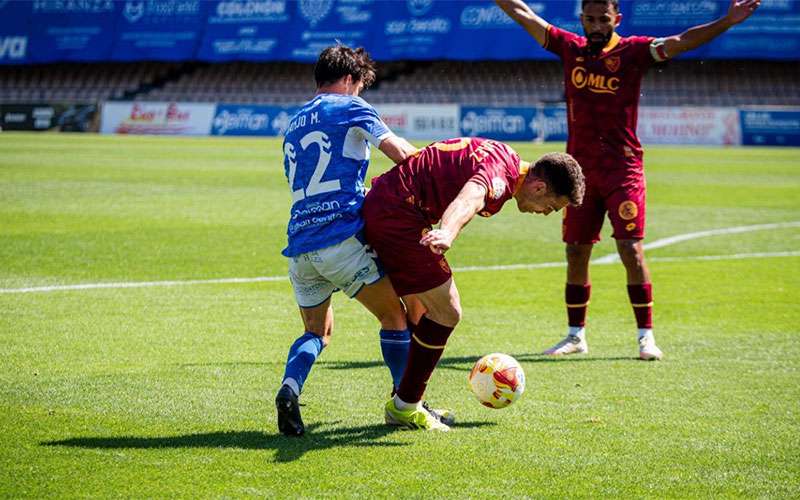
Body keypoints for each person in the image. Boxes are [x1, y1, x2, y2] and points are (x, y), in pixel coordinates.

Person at [496, 0, 760, 360]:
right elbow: (525, 14)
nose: (595, 25)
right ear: (582, 19)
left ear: (616, 19)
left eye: (603, 19)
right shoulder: (570, 48)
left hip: (623, 170)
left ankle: (645, 337)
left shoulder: (634, 51)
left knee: (630, 250)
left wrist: (727, 21)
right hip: (579, 174)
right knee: (576, 250)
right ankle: (575, 335)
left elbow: (682, 40)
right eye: (589, 19)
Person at [363, 137, 585, 431]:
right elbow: (472, 195)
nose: (546, 213)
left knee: (420, 309)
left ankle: (408, 400)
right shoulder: (500, 176)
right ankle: (404, 406)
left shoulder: (506, 157)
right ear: (539, 187)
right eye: (552, 207)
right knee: (448, 311)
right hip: (398, 214)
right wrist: (448, 232)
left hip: (395, 206)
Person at [275, 44, 420, 437]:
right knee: (395, 317)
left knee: (316, 333)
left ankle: (290, 388)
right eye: (360, 86)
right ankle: (405, 402)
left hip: (300, 244)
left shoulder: (295, 121)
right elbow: (401, 153)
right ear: (351, 79)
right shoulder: (353, 107)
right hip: (340, 237)